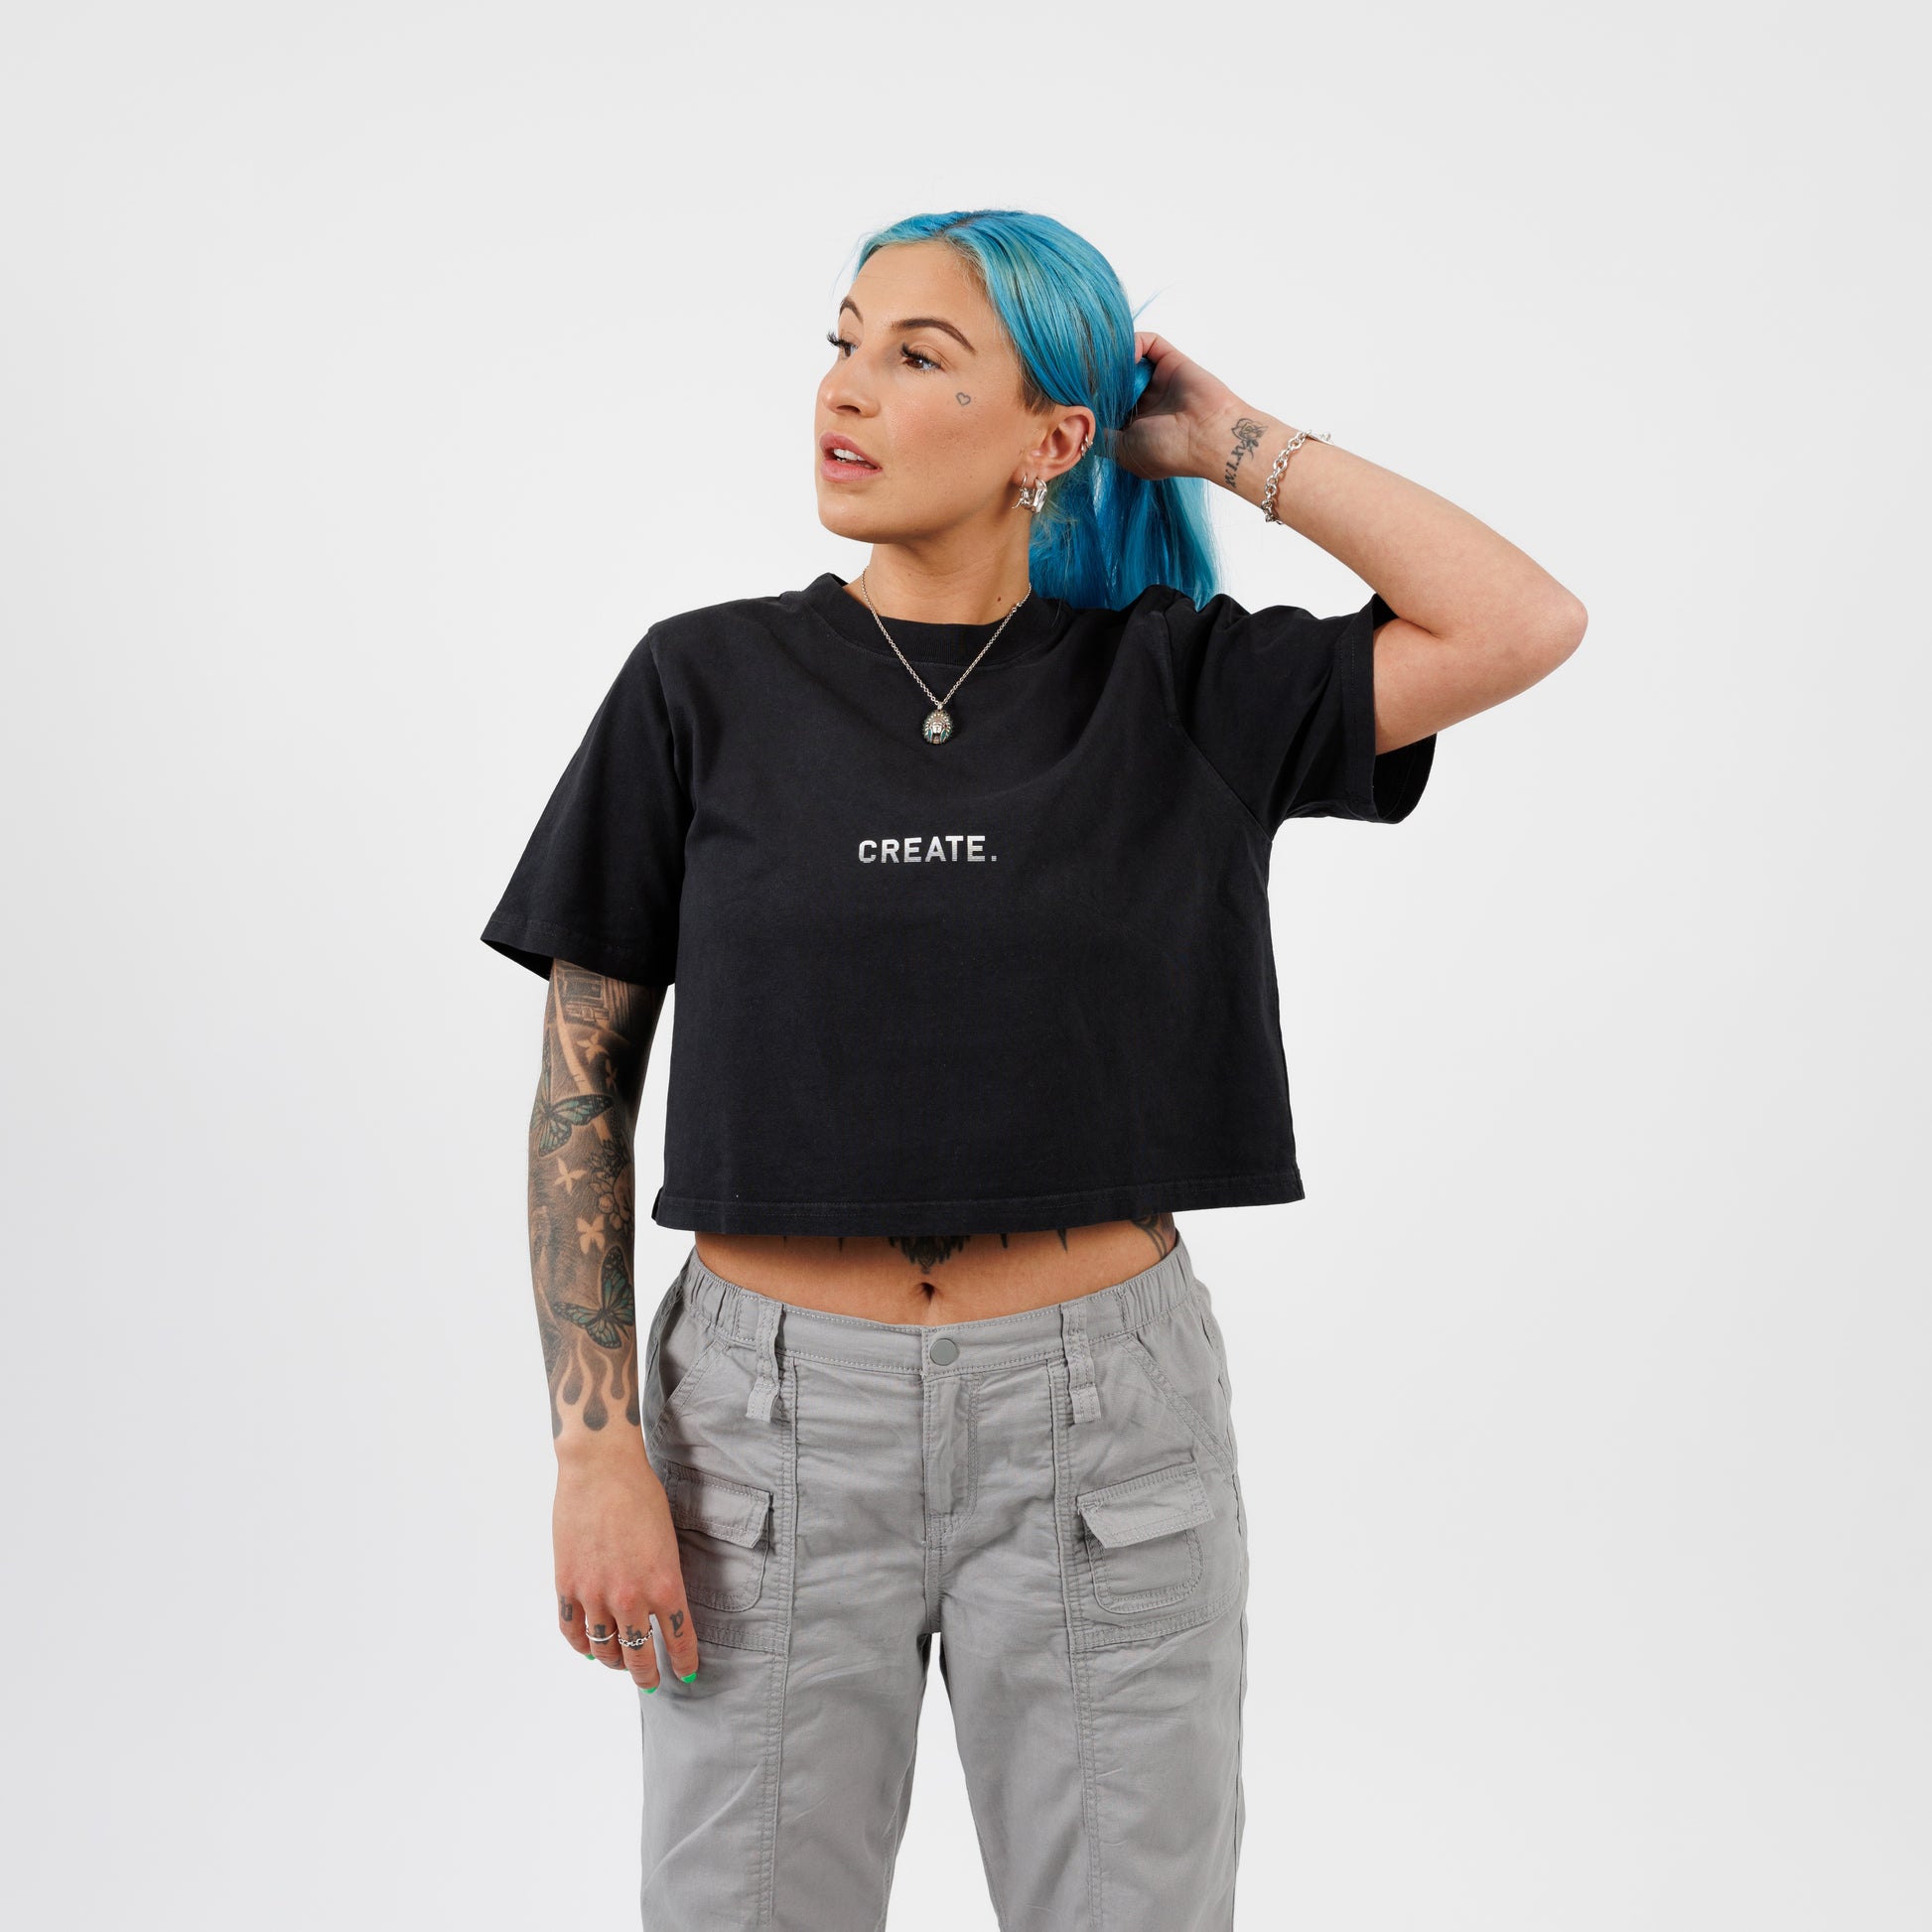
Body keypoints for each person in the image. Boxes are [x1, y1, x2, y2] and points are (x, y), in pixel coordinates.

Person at [481, 207, 1585, 1930]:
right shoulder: (699, 681)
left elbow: (1518, 619)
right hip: (768, 1432)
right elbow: (579, 1093)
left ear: (1050, 442)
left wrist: (1225, 441)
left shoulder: (1180, 684)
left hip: (1098, 1426)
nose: (845, 388)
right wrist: (593, 1448)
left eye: (916, 356)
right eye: (841, 341)